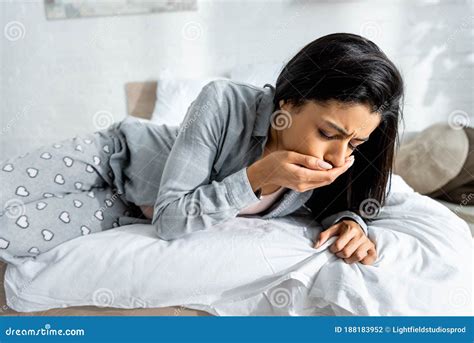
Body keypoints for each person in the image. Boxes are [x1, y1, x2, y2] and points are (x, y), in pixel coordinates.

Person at [0, 33, 403, 266]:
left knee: (9, 233)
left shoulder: (332, 166)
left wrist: (353, 221)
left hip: (130, 210)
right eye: (328, 132)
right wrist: (262, 175)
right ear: (289, 101)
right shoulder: (223, 100)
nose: (338, 156)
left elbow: (344, 203)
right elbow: (175, 215)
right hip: (113, 158)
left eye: (355, 142)